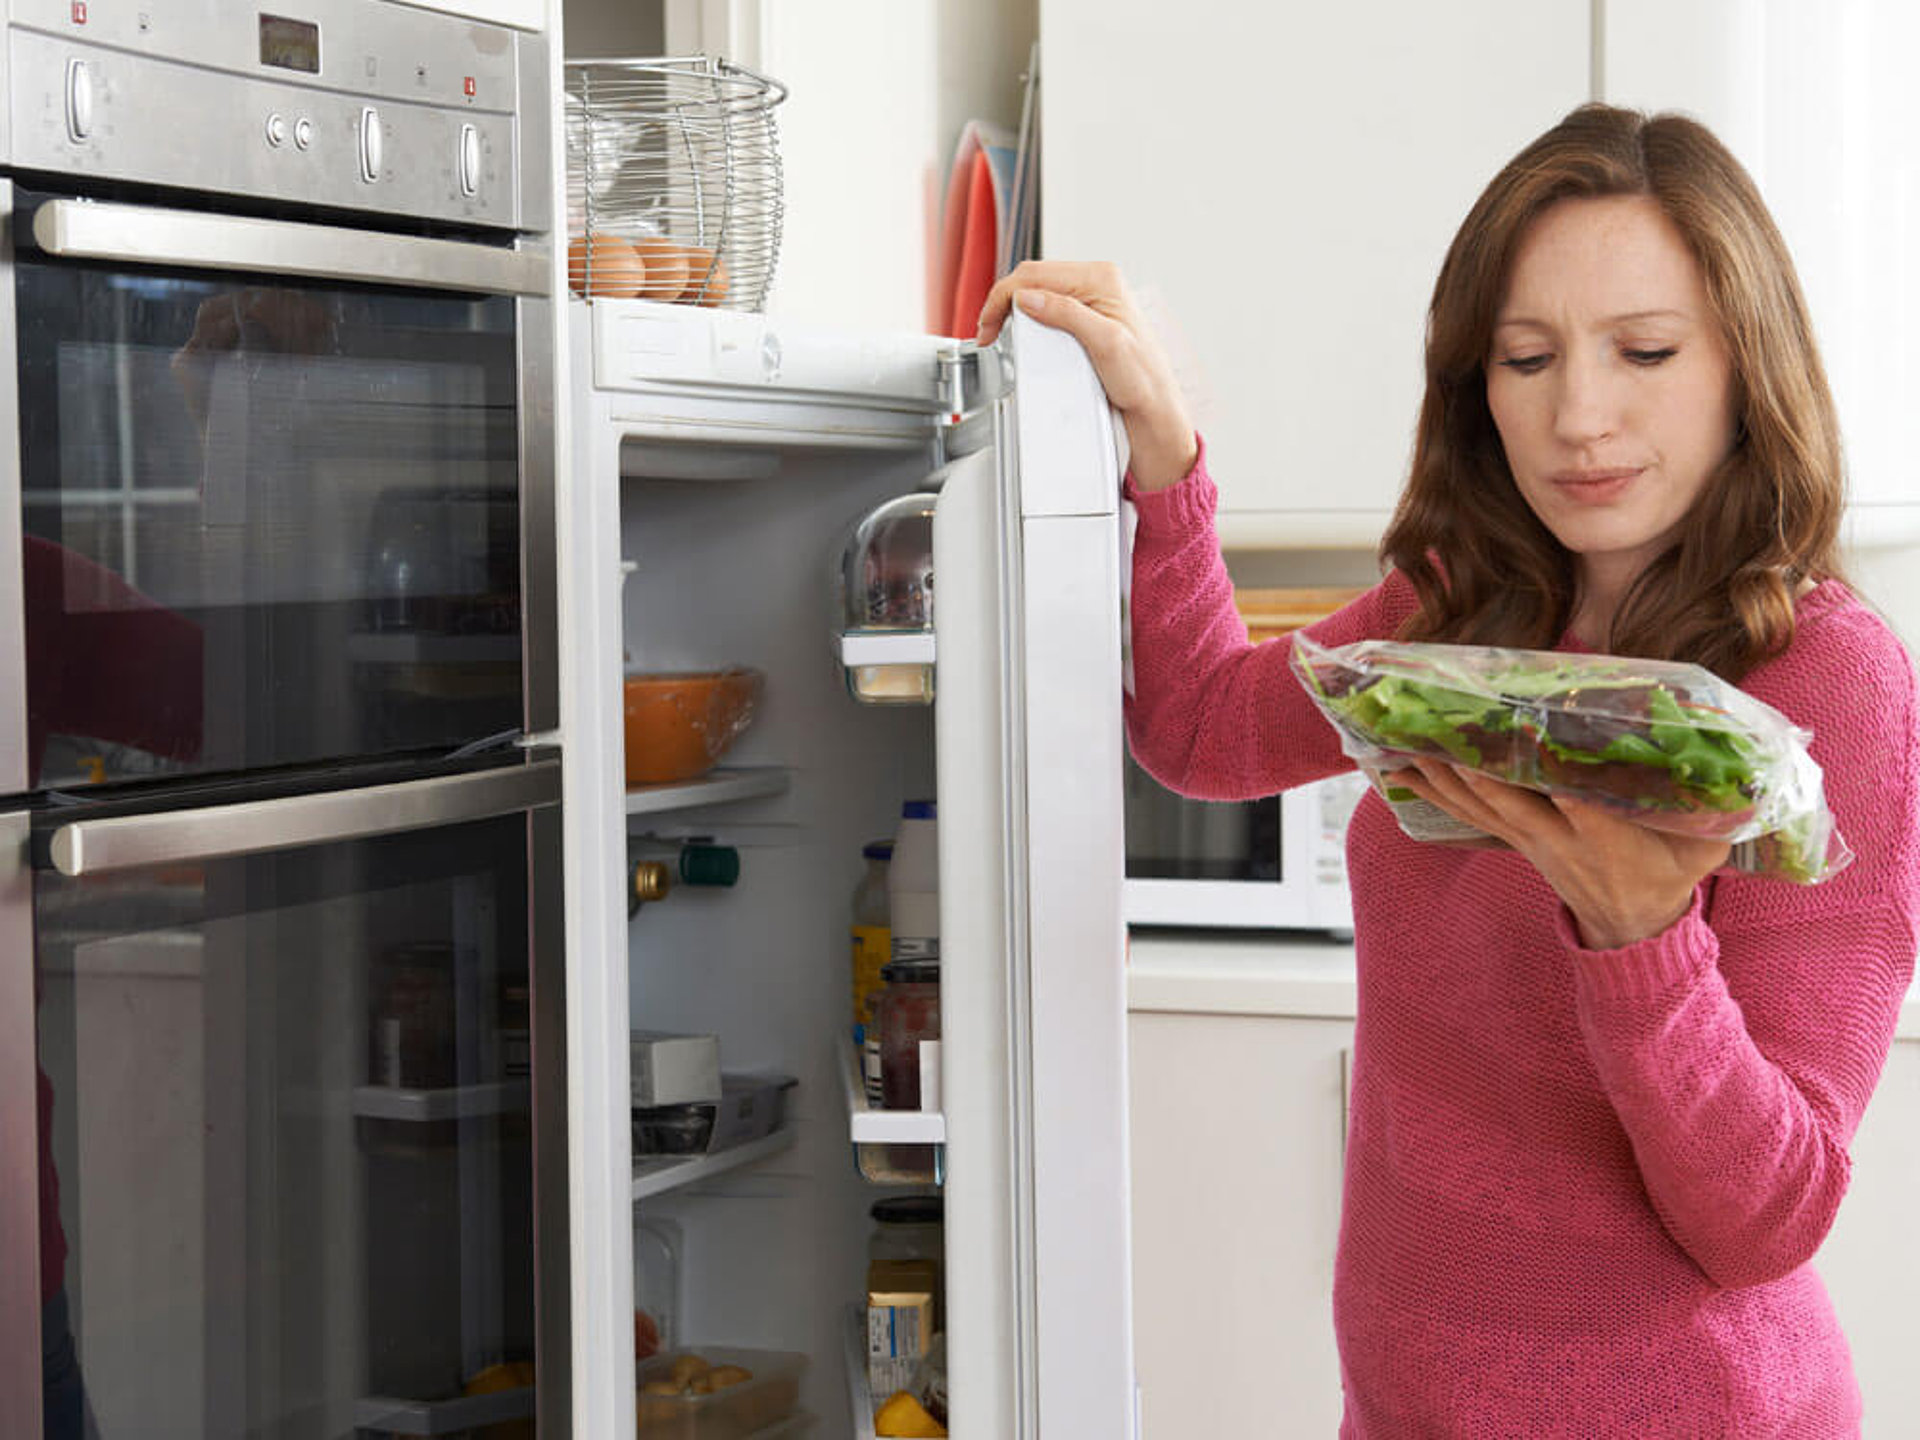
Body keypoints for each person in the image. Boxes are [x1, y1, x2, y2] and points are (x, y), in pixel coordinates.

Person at [977, 102, 1919, 1437]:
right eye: (1526, 358)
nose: (1580, 416)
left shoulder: (1829, 680)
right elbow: (1204, 731)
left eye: (1645, 350)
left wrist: (1638, 931)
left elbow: (1769, 1218)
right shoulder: (1460, 607)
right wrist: (1167, 456)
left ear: (1745, 362)